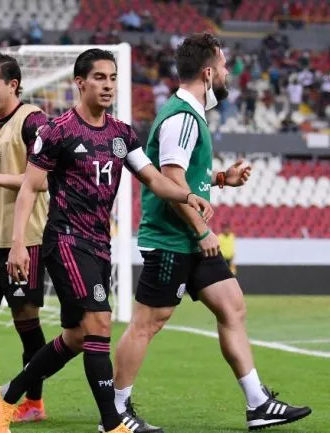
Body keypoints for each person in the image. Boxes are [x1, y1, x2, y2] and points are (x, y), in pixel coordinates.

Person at [0, 48, 214, 433]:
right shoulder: (57, 131)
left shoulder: (121, 134)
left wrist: (187, 195)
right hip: (64, 240)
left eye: (113, 78)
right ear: (79, 83)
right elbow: (30, 189)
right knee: (99, 322)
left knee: (78, 336)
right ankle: (112, 422)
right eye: (100, 78)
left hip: (99, 245)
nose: (108, 85)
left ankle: (7, 397)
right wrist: (18, 245)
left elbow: (153, 178)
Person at [115, 33, 311, 432]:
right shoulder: (183, 116)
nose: (226, 73)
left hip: (189, 238)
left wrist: (221, 178)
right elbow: (171, 183)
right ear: (207, 72)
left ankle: (258, 403)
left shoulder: (190, 114)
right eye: (222, 67)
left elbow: (188, 179)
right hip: (173, 240)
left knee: (232, 305)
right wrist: (204, 231)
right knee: (147, 323)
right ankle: (115, 411)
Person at [0, 51, 50, 423]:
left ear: (13, 84)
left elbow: (47, 178)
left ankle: (33, 401)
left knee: (25, 322)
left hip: (25, 240)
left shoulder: (33, 121)